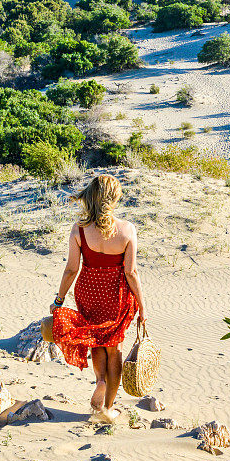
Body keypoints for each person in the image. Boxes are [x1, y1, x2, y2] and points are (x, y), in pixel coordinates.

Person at [50, 174, 147, 423]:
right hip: (116, 294)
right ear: (114, 199)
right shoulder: (126, 230)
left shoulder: (79, 230)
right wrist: (143, 307)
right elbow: (131, 272)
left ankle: (100, 381)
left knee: (95, 339)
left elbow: (71, 269)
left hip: (88, 290)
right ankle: (109, 407)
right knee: (114, 347)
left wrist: (59, 300)